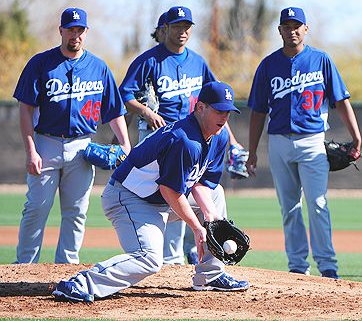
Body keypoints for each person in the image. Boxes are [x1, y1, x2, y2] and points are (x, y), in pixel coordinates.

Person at [52, 81, 250, 302]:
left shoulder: (219, 136)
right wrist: (197, 227)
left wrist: (212, 220)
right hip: (129, 198)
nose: (224, 117)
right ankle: (80, 283)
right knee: (150, 259)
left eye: (228, 112)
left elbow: (201, 182)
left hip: (159, 198)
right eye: (219, 110)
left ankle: (210, 276)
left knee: (216, 195)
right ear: (200, 107)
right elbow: (170, 191)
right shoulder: (184, 140)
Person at [119, 6, 245, 266]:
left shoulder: (197, 61)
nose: (183, 31)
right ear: (164, 29)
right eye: (177, 26)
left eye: (187, 26)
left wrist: (230, 140)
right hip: (160, 134)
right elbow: (125, 94)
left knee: (203, 190)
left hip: (196, 134)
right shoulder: (149, 61)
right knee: (169, 190)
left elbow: (217, 102)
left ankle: (198, 254)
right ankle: (171, 259)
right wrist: (145, 111)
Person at [246, 7, 362, 279]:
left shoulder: (321, 60)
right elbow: (258, 112)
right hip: (278, 142)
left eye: (297, 25)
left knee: (318, 204)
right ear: (280, 31)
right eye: (287, 25)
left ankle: (328, 266)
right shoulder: (268, 65)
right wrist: (252, 151)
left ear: (306, 29)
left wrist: (356, 136)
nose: (292, 30)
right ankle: (297, 267)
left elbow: (341, 101)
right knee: (290, 208)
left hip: (312, 142)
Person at [13, 7, 131, 264]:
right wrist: (31, 150)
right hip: (46, 142)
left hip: (82, 146)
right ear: (61, 30)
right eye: (70, 29)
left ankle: (67, 265)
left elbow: (114, 111)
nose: (75, 35)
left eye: (80, 30)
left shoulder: (99, 68)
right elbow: (25, 109)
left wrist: (126, 144)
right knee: (36, 209)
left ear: (86, 32)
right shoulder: (40, 63)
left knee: (77, 211)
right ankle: (24, 266)